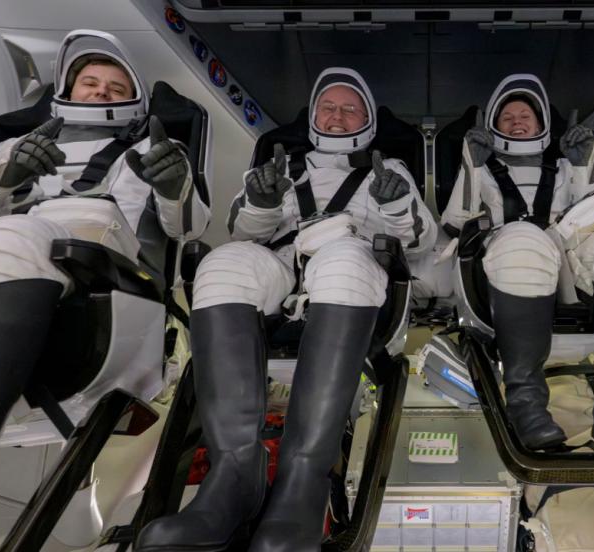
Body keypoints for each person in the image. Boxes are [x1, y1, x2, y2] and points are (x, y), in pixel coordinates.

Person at [136, 67, 436, 552]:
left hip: (352, 259)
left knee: (342, 261)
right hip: (281, 262)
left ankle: (304, 479)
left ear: (367, 121)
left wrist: (399, 207)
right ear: (313, 115)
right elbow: (243, 233)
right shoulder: (278, 166)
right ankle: (235, 473)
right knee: (222, 263)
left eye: (350, 109)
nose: (338, 116)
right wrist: (260, 201)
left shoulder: (391, 170)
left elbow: (421, 241)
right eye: (328, 107)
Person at [0, 29, 209, 465]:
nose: (102, 92)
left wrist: (173, 187)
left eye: (116, 88)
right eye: (90, 83)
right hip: (5, 258)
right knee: (9, 235)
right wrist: (6, 179)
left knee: (15, 234)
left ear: (135, 100)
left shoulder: (156, 150)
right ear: (68, 90)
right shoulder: (12, 148)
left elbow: (188, 227)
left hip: (107, 268)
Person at [441, 74, 594, 451]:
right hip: (505, 261)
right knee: (525, 239)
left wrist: (583, 165)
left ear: (542, 123)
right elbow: (454, 224)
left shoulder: (565, 168)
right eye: (507, 117)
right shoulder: (483, 169)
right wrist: (471, 165)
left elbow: (593, 213)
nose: (516, 122)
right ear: (493, 126)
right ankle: (526, 405)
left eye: (525, 115)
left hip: (569, 260)